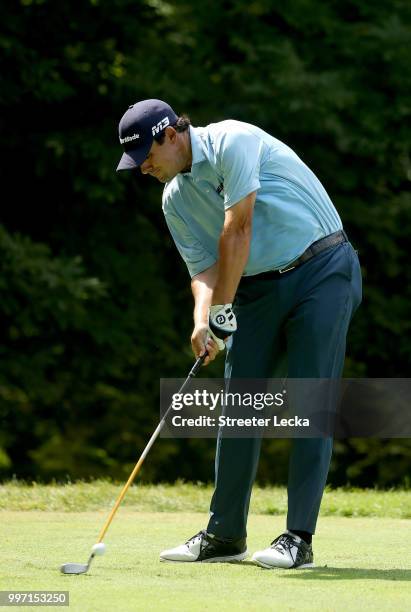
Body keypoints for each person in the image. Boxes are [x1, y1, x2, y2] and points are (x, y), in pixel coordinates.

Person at [116, 99, 362, 568]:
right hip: (256, 289)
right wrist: (203, 319)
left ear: (171, 135)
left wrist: (226, 306)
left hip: (322, 268)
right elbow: (203, 270)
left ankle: (298, 539)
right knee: (239, 407)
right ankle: (225, 535)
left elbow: (238, 229)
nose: (143, 167)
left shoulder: (233, 140)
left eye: (146, 154)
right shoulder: (174, 200)